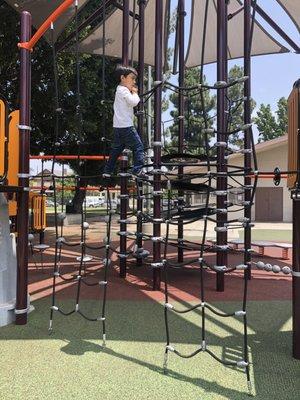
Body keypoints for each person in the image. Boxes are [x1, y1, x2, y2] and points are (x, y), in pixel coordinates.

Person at [103, 65, 145, 178]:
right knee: (138, 147)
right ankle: (137, 170)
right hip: (126, 126)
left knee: (116, 150)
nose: (134, 81)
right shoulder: (124, 90)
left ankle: (107, 171)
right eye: (132, 78)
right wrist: (135, 93)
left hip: (117, 127)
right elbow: (133, 102)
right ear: (123, 78)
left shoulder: (119, 90)